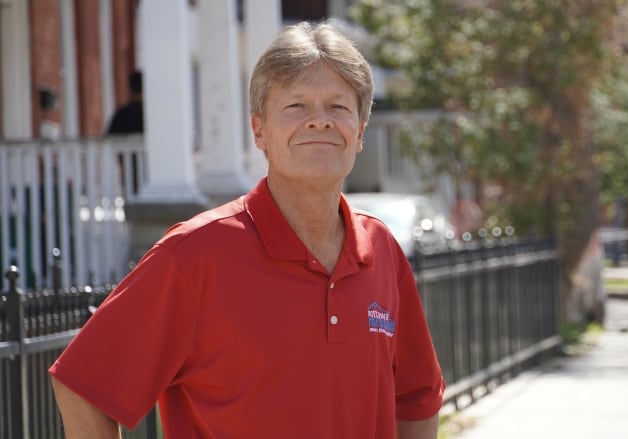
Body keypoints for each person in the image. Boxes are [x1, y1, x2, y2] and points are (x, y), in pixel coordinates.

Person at [49, 22, 444, 438]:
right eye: (295, 106)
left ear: (360, 132)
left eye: (338, 107)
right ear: (260, 131)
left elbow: (417, 397)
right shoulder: (194, 255)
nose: (319, 121)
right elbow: (83, 386)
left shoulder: (381, 250)